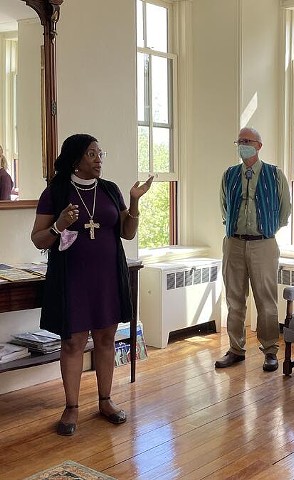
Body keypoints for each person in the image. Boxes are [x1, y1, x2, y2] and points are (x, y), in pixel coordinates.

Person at [31, 134, 153, 436]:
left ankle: (105, 400)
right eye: (91, 154)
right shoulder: (56, 192)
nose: (98, 159)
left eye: (101, 153)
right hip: (72, 277)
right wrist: (58, 225)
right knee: (73, 341)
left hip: (107, 276)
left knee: (106, 338)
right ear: (76, 159)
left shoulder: (110, 190)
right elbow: (38, 239)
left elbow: (127, 232)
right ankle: (71, 407)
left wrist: (135, 201)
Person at [216, 127, 291, 372]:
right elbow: (224, 207)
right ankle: (235, 349)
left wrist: (265, 229)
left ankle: (270, 351)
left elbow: (284, 211)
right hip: (234, 243)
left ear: (259, 146)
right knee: (234, 300)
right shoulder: (229, 175)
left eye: (247, 141)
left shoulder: (275, 174)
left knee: (266, 301)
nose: (242, 145)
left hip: (264, 243)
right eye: (239, 141)